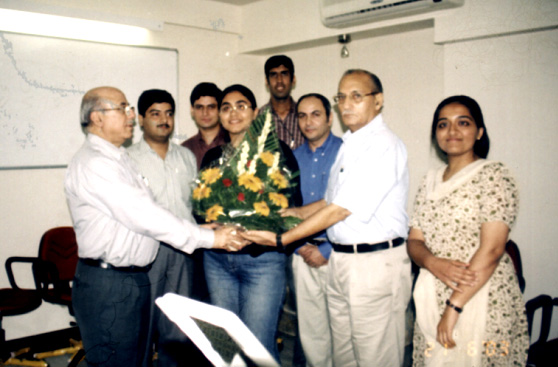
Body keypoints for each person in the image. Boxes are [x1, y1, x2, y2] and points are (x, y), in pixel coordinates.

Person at [242, 69, 412, 366]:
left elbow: (342, 209)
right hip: (344, 263)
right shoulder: (352, 144)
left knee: (375, 357)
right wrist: (290, 214)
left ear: (378, 100)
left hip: (373, 265)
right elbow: (330, 201)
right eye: (341, 97)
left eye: (357, 96)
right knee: (342, 356)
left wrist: (282, 238)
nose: (346, 104)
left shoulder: (383, 144)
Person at [65, 86, 244, 367]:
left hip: (130, 277)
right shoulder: (96, 163)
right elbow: (144, 215)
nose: (130, 115)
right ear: (97, 118)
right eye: (122, 108)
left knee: (137, 359)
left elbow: (156, 210)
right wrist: (211, 240)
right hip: (109, 283)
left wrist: (203, 229)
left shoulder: (118, 157)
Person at [407, 95, 529, 366]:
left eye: (463, 122)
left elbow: (493, 249)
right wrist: (432, 262)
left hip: (480, 295)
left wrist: (453, 308)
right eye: (443, 124)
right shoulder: (429, 181)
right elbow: (414, 241)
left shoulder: (494, 175)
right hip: (432, 294)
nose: (452, 131)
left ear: (479, 132)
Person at [200, 84, 302, 362]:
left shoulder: (277, 153)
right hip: (218, 262)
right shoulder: (212, 158)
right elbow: (201, 208)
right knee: (226, 346)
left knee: (257, 346)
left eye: (241, 106)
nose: (233, 113)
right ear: (220, 116)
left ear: (256, 113)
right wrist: (215, 225)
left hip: (263, 261)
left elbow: (293, 206)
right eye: (226, 107)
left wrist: (255, 228)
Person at [127, 89, 201, 366]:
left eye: (169, 113)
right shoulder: (128, 160)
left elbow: (194, 205)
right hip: (147, 253)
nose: (163, 120)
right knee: (143, 325)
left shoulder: (186, 157)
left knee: (178, 326)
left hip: (182, 252)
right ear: (141, 119)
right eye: (155, 114)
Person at [292, 93, 342, 367]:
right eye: (302, 115)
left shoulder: (345, 152)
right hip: (302, 252)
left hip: (339, 252)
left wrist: (326, 249)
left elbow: (349, 207)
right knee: (312, 333)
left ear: (330, 117)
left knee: (343, 332)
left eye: (315, 114)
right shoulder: (292, 158)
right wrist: (300, 247)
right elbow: (285, 209)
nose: (308, 121)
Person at [259, 55, 304, 150]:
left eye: (284, 74)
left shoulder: (304, 114)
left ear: (293, 80)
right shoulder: (258, 118)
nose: (279, 80)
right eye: (273, 75)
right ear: (267, 82)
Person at [182, 82, 227, 170]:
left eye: (211, 107)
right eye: (199, 107)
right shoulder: (185, 149)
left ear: (220, 109)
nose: (205, 113)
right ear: (192, 110)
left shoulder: (232, 142)